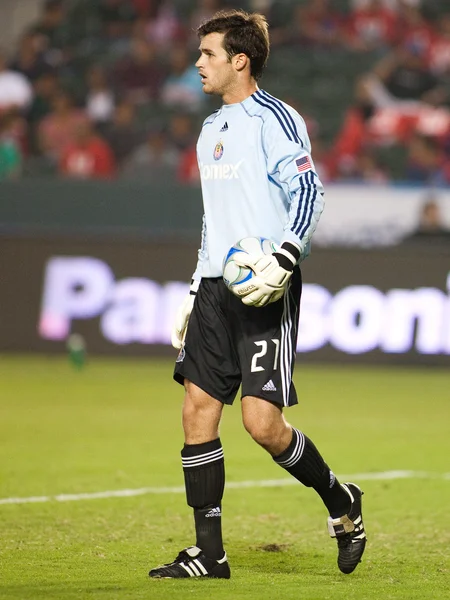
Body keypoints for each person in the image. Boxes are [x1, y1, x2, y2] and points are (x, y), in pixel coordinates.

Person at [149, 9, 367, 580]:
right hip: (217, 289)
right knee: (197, 410)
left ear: (238, 60)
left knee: (262, 425)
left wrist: (287, 257)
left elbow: (309, 191)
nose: (198, 64)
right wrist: (196, 287)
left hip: (266, 289)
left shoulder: (276, 119)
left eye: (208, 55)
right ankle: (209, 554)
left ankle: (342, 502)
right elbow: (211, 220)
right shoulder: (209, 130)